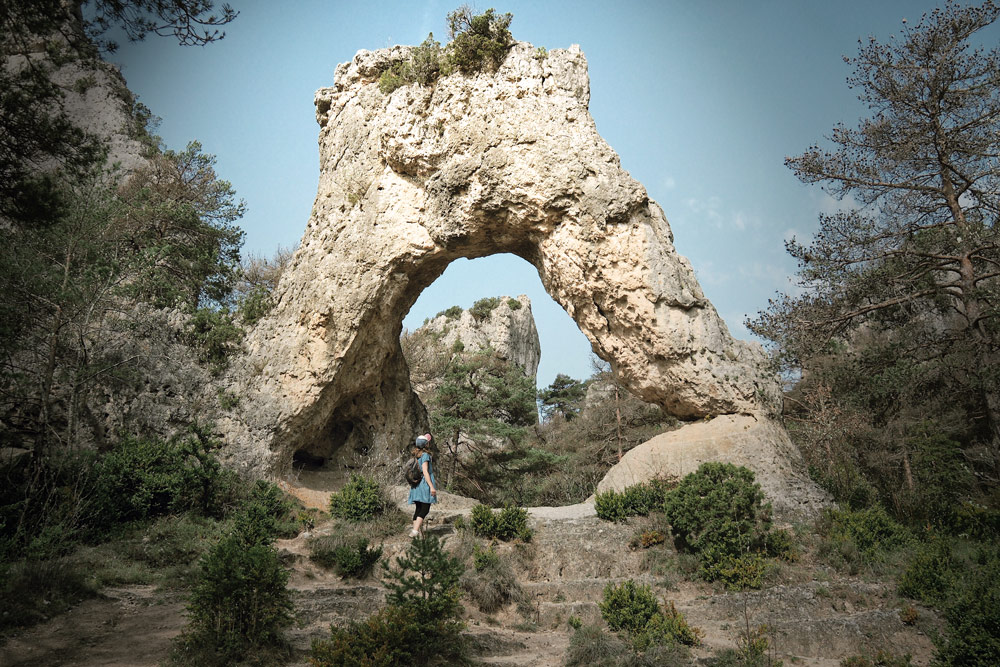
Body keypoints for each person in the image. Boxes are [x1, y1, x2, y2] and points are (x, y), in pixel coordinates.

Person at [407, 433, 437, 537]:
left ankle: (417, 532)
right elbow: (425, 471)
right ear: (426, 444)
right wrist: (431, 487)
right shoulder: (425, 455)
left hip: (416, 485)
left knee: (418, 508)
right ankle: (414, 531)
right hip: (424, 485)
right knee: (425, 509)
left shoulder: (416, 454)